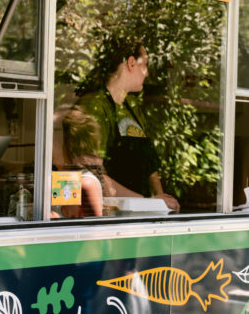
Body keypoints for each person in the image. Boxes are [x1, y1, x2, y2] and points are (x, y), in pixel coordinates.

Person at [71, 42, 179, 212]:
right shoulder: (93, 107)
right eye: (145, 65)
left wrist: (162, 202)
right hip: (111, 215)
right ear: (131, 63)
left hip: (141, 212)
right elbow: (92, 176)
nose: (147, 73)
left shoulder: (132, 106)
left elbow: (149, 164)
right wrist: (148, 202)